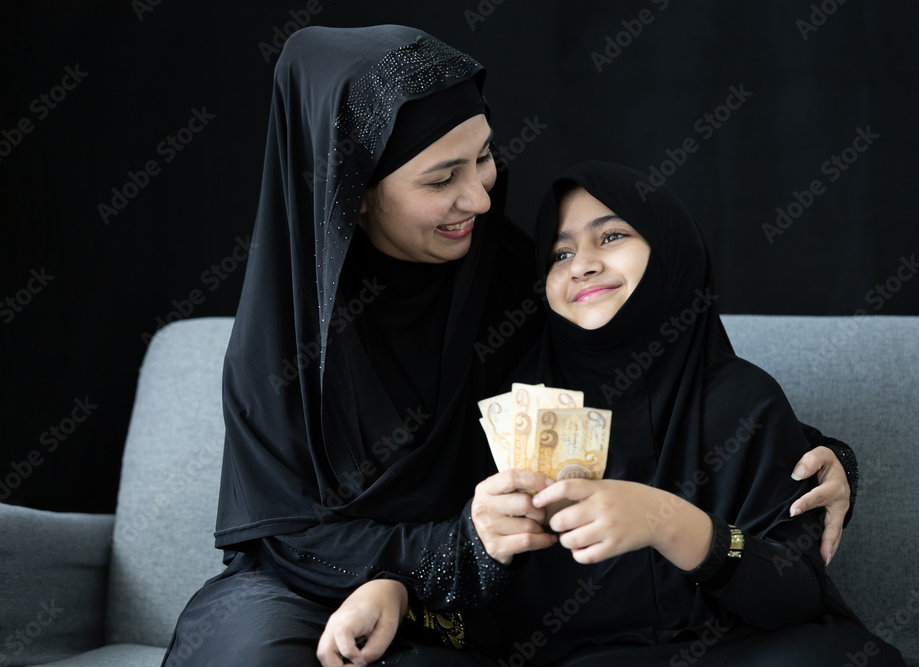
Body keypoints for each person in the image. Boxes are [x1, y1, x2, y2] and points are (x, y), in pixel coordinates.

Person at [161, 26, 857, 666]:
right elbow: (285, 534)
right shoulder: (284, 342)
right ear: (358, 194)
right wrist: (433, 561)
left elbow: (650, 373)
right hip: (310, 585)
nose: (484, 198)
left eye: (485, 157)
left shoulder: (512, 283)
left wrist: (815, 456)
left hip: (466, 604)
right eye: (442, 179)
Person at [321, 162, 904, 666]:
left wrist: (665, 521)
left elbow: (796, 594)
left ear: (670, 248)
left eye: (612, 236)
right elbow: (482, 599)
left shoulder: (742, 399)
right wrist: (395, 592)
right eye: (561, 252)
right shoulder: (516, 408)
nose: (582, 265)